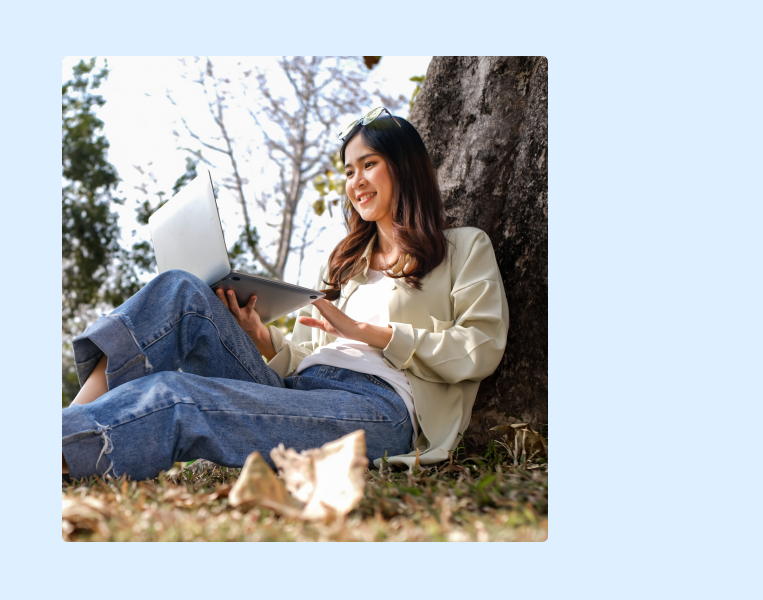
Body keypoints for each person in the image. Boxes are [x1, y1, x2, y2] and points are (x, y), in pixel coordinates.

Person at [62, 107, 508, 480]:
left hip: (380, 408)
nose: (356, 182)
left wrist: (371, 332)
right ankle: (66, 422)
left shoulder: (464, 247)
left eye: (369, 164)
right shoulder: (341, 263)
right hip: (300, 387)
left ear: (405, 165)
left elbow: (481, 347)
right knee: (181, 287)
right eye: (349, 171)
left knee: (177, 397)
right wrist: (260, 336)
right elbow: (303, 355)